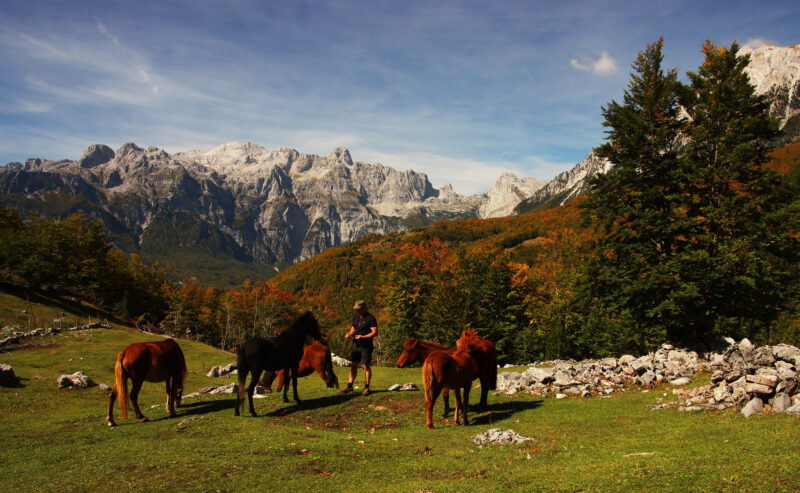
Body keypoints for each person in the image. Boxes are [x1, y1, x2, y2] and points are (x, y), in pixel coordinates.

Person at [340, 299, 378, 395]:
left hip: (366, 346)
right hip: (356, 345)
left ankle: (367, 388)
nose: (357, 310)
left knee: (366, 366)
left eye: (359, 309)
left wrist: (363, 337)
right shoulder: (356, 316)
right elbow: (353, 327)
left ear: (364, 307)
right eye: (356, 309)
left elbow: (375, 332)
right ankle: (349, 387)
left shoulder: (371, 318)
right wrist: (349, 334)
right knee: (354, 365)